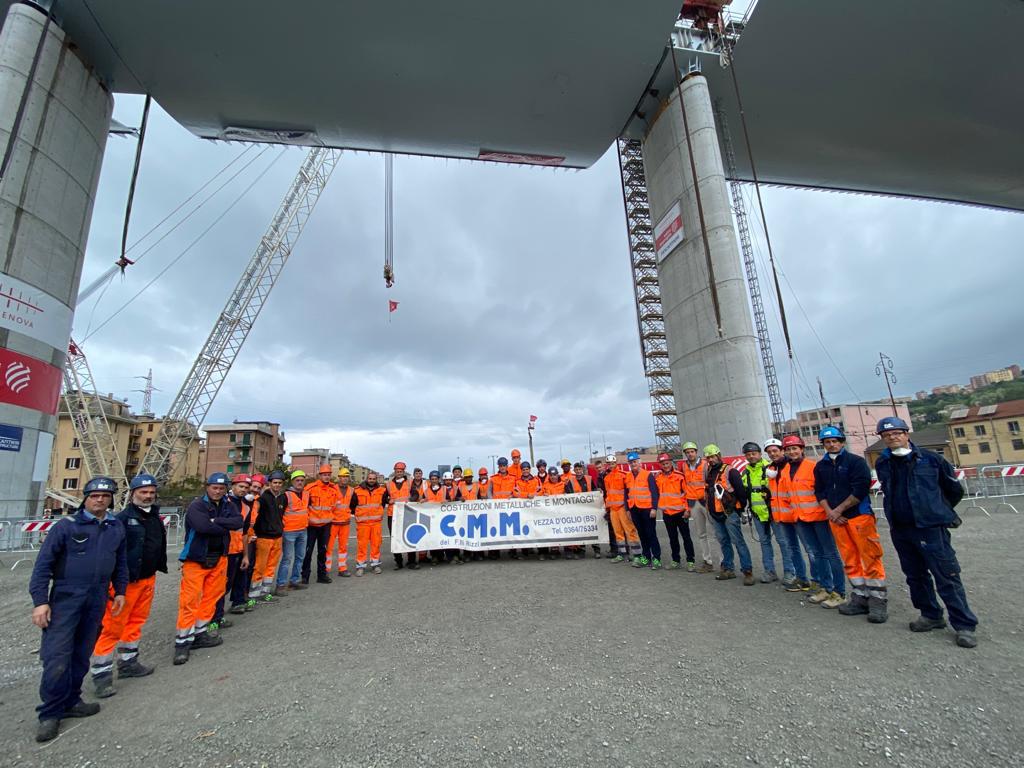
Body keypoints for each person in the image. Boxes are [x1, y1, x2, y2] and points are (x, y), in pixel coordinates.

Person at [30, 477, 127, 742]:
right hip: (65, 597)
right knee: (57, 657)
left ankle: (72, 700)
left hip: (96, 598)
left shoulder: (115, 527)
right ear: (85, 497)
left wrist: (119, 591)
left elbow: (120, 562)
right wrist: (40, 601)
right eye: (95, 495)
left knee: (81, 653)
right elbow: (42, 566)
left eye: (106, 496)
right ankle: (50, 713)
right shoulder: (66, 527)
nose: (100, 500)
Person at [874, 417, 978, 647]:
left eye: (897, 433)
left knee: (947, 576)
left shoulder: (932, 460)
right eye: (887, 435)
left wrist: (936, 511)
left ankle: (964, 625)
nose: (893, 437)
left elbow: (953, 491)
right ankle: (930, 615)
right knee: (915, 576)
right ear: (882, 438)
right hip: (901, 528)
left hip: (930, 528)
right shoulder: (883, 463)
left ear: (906, 434)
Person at [89, 473, 165, 699]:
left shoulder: (153, 517)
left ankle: (128, 662)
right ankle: (101, 675)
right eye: (143, 492)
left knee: (136, 622)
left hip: (147, 578)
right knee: (112, 626)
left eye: (151, 492)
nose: (148, 496)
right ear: (133, 494)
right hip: (125, 584)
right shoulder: (121, 519)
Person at [814, 426, 888, 623]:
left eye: (835, 440)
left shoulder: (855, 462)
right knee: (850, 558)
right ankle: (860, 597)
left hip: (859, 516)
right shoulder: (821, 466)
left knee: (870, 557)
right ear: (823, 444)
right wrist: (830, 512)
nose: (832, 444)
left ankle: (878, 601)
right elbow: (819, 491)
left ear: (842, 441)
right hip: (836, 520)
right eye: (827, 442)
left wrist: (838, 510)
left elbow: (861, 488)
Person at [174, 473, 242, 665]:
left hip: (219, 557)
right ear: (207, 487)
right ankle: (182, 643)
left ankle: (200, 633)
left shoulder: (227, 505)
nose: (218, 491)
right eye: (214, 487)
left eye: (221, 488)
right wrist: (222, 525)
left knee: (211, 598)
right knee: (190, 601)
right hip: (196, 558)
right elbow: (202, 527)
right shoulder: (197, 505)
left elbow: (238, 522)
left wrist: (217, 522)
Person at [780, 436, 846, 608]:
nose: (791, 452)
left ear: (802, 449)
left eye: (795, 448)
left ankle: (839, 592)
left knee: (830, 554)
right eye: (788, 449)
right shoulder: (786, 470)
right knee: (814, 554)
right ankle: (825, 587)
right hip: (801, 518)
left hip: (819, 517)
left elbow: (824, 490)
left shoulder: (813, 466)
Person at [703, 445, 754, 585]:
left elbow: (741, 492)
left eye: (713, 456)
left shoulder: (730, 471)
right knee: (724, 542)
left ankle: (747, 571)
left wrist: (740, 509)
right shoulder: (709, 472)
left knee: (738, 542)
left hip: (730, 513)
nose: (711, 460)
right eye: (708, 457)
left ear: (719, 455)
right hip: (715, 513)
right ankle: (728, 569)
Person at [763, 439, 810, 591]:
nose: (772, 454)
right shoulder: (771, 468)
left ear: (781, 451)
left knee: (811, 550)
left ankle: (819, 582)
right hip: (782, 516)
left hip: (798, 514)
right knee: (792, 549)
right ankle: (801, 579)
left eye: (775, 450)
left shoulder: (790, 467)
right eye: (769, 452)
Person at [740, 442, 787, 583]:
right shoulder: (746, 472)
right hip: (757, 513)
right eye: (748, 454)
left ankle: (791, 572)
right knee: (764, 543)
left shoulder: (770, 468)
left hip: (774, 512)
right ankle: (769, 571)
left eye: (754, 453)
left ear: (760, 454)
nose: (751, 456)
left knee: (783, 542)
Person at [212, 474, 252, 631]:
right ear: (233, 486)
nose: (244, 490)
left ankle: (222, 612)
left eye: (246, 487)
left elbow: (244, 532)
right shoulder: (223, 503)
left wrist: (246, 555)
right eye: (241, 486)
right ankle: (214, 616)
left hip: (237, 550)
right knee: (220, 586)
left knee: (229, 583)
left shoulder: (246, 507)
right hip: (223, 550)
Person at [250, 470, 286, 601]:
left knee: (271, 567)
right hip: (264, 537)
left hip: (277, 537)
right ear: (269, 483)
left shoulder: (283, 498)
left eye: (279, 483)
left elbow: (281, 516)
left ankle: (265, 592)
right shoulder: (262, 498)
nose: (277, 485)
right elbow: (253, 518)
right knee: (260, 566)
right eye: (274, 482)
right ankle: (254, 595)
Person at [681, 441, 717, 572]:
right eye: (687, 452)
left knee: (717, 532)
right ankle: (707, 561)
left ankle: (725, 562)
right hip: (693, 503)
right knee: (701, 534)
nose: (690, 454)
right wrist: (686, 506)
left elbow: (711, 482)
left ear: (696, 452)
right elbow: (685, 487)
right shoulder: (684, 466)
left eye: (692, 451)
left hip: (706, 502)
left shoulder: (705, 464)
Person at [655, 453, 694, 570]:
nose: (665, 466)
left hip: (681, 512)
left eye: (667, 463)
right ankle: (675, 560)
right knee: (672, 538)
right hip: (667, 513)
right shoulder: (658, 477)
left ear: (671, 463)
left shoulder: (680, 476)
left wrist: (688, 509)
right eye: (663, 464)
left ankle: (691, 561)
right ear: (660, 465)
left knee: (686, 537)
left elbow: (687, 494)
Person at [302, 465, 341, 584]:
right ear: (320, 475)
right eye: (324, 474)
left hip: (326, 526)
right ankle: (305, 576)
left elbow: (334, 507)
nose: (327, 476)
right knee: (307, 552)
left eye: (328, 474)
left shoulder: (334, 490)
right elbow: (304, 506)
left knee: (323, 551)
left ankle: (322, 575)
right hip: (311, 526)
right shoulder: (310, 488)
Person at [625, 452, 661, 569]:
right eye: (631, 462)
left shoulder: (647, 475)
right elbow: (626, 494)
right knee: (642, 535)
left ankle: (656, 558)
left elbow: (655, 493)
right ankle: (646, 557)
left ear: (639, 462)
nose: (633, 464)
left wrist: (654, 508)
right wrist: (627, 510)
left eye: (635, 461)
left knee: (651, 534)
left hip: (647, 509)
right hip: (634, 509)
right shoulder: (628, 476)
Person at [277, 470, 310, 592]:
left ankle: (294, 581)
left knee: (300, 557)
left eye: (302, 480)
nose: (300, 482)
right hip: (289, 532)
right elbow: (279, 513)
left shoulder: (306, 494)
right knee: (287, 558)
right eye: (297, 480)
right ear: (292, 481)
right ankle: (280, 584)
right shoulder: (286, 495)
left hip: (303, 530)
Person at [350, 471, 389, 575]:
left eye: (373, 479)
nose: (372, 480)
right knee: (362, 545)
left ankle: (375, 565)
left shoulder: (382, 490)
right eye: (370, 478)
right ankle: (360, 566)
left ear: (376, 480)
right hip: (363, 523)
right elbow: (352, 506)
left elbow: (384, 503)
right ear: (367, 479)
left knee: (376, 544)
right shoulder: (357, 490)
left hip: (376, 523)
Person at [602, 454, 639, 562]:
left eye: (613, 463)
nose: (611, 465)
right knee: (618, 532)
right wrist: (608, 508)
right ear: (607, 465)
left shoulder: (624, 475)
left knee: (629, 530)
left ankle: (637, 554)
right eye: (609, 464)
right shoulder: (607, 478)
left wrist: (628, 507)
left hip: (623, 507)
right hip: (613, 509)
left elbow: (628, 492)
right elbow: (608, 493)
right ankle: (622, 553)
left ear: (616, 463)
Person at [566, 461, 602, 558]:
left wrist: (598, 492)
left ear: (583, 470)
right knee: (581, 530)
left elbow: (595, 491)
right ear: (574, 470)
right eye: (576, 470)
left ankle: (597, 550)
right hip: (578, 511)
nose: (578, 471)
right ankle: (581, 551)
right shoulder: (570, 481)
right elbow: (567, 495)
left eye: (580, 469)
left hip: (590, 509)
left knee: (592, 529)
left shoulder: (589, 479)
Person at [327, 468, 356, 575]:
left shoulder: (352, 490)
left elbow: (353, 505)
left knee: (343, 547)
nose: (344, 478)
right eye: (343, 476)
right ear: (339, 477)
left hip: (345, 523)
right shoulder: (332, 489)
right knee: (328, 548)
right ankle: (326, 570)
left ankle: (342, 568)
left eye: (346, 476)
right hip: (332, 523)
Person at [387, 462, 414, 570]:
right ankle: (398, 562)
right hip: (392, 515)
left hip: (407, 513)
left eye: (401, 471)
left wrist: (411, 499)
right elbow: (383, 498)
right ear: (394, 472)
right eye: (397, 471)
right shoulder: (388, 484)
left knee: (410, 536)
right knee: (395, 538)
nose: (399, 473)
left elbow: (415, 494)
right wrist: (388, 500)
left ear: (404, 472)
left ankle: (411, 561)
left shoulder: (409, 483)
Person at [512, 462, 541, 559]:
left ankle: (540, 551)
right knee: (524, 529)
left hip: (535, 509)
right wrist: (527, 495)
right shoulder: (517, 481)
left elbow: (541, 491)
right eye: (523, 469)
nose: (525, 471)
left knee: (537, 529)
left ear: (529, 469)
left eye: (527, 469)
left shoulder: (536, 480)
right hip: (523, 510)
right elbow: (515, 493)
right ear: (521, 470)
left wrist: (533, 495)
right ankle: (525, 552)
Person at [540, 465, 566, 560]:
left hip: (561, 512)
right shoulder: (545, 485)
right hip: (549, 512)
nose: (553, 476)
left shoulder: (563, 484)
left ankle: (565, 549)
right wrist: (543, 495)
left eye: (554, 474)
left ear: (557, 475)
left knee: (561, 530)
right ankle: (553, 550)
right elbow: (540, 495)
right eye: (551, 475)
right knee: (550, 531)